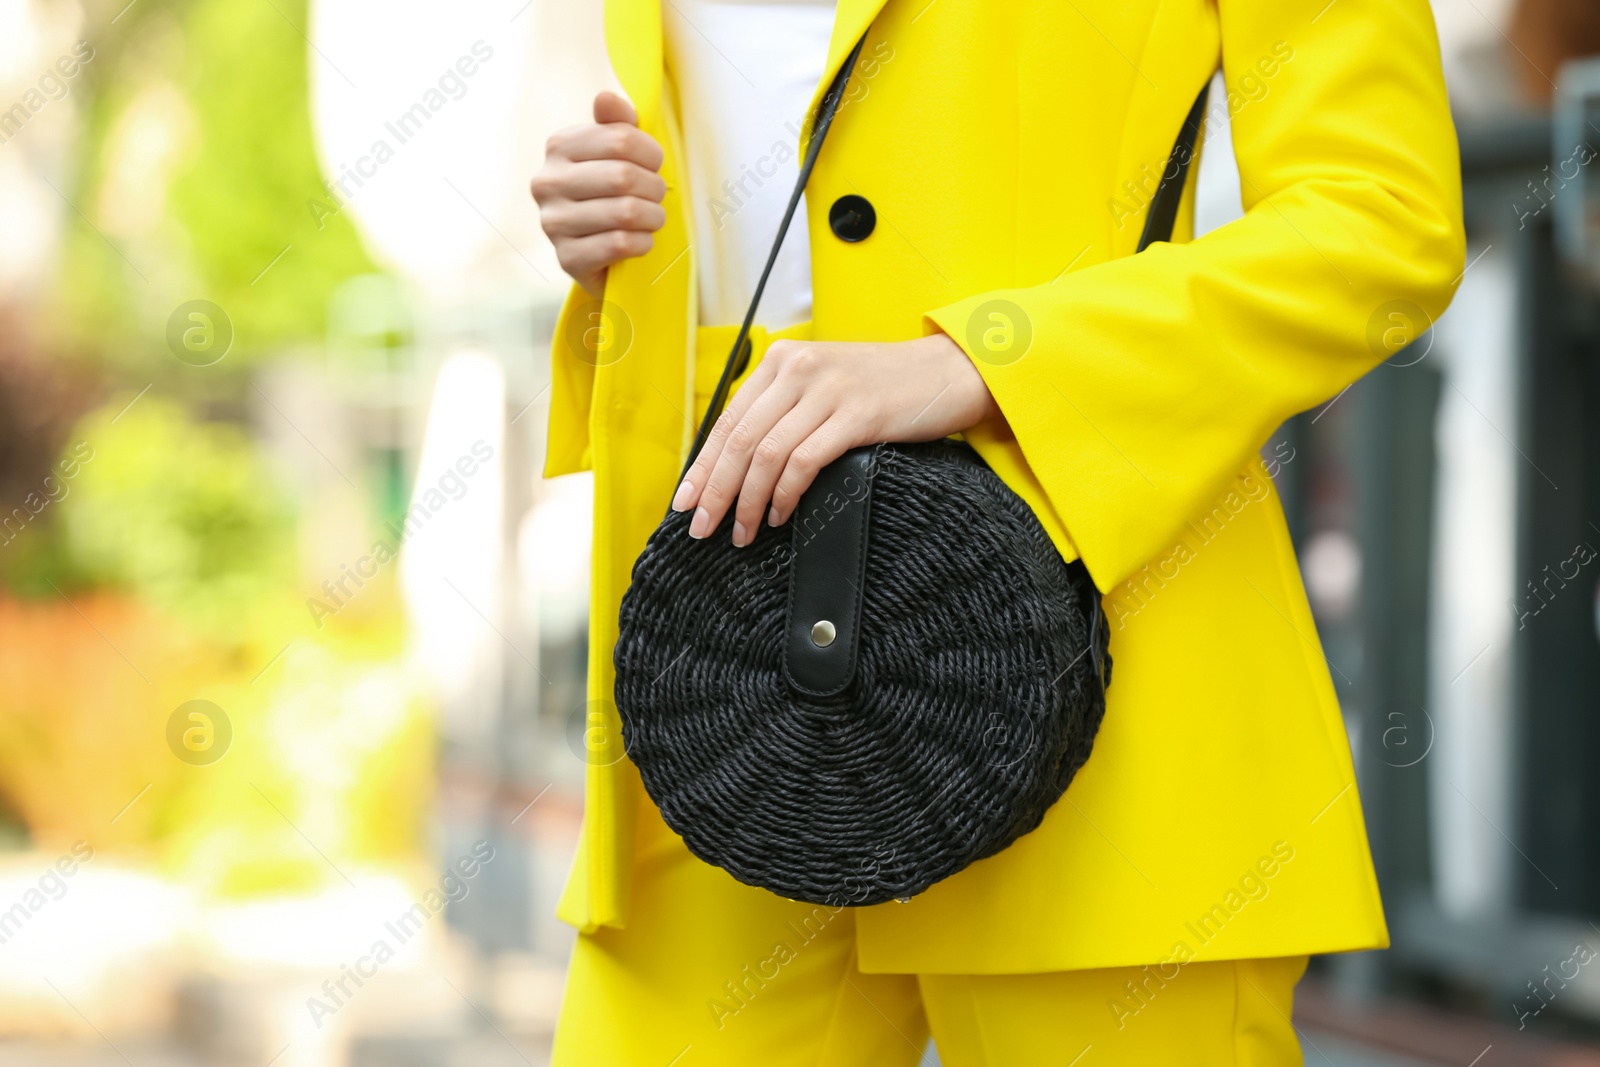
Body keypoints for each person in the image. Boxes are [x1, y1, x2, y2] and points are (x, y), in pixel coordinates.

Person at [530, 0, 1464, 1062]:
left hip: (1099, 668)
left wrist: (981, 364)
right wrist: (613, 232)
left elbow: (1382, 216)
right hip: (737, 674)